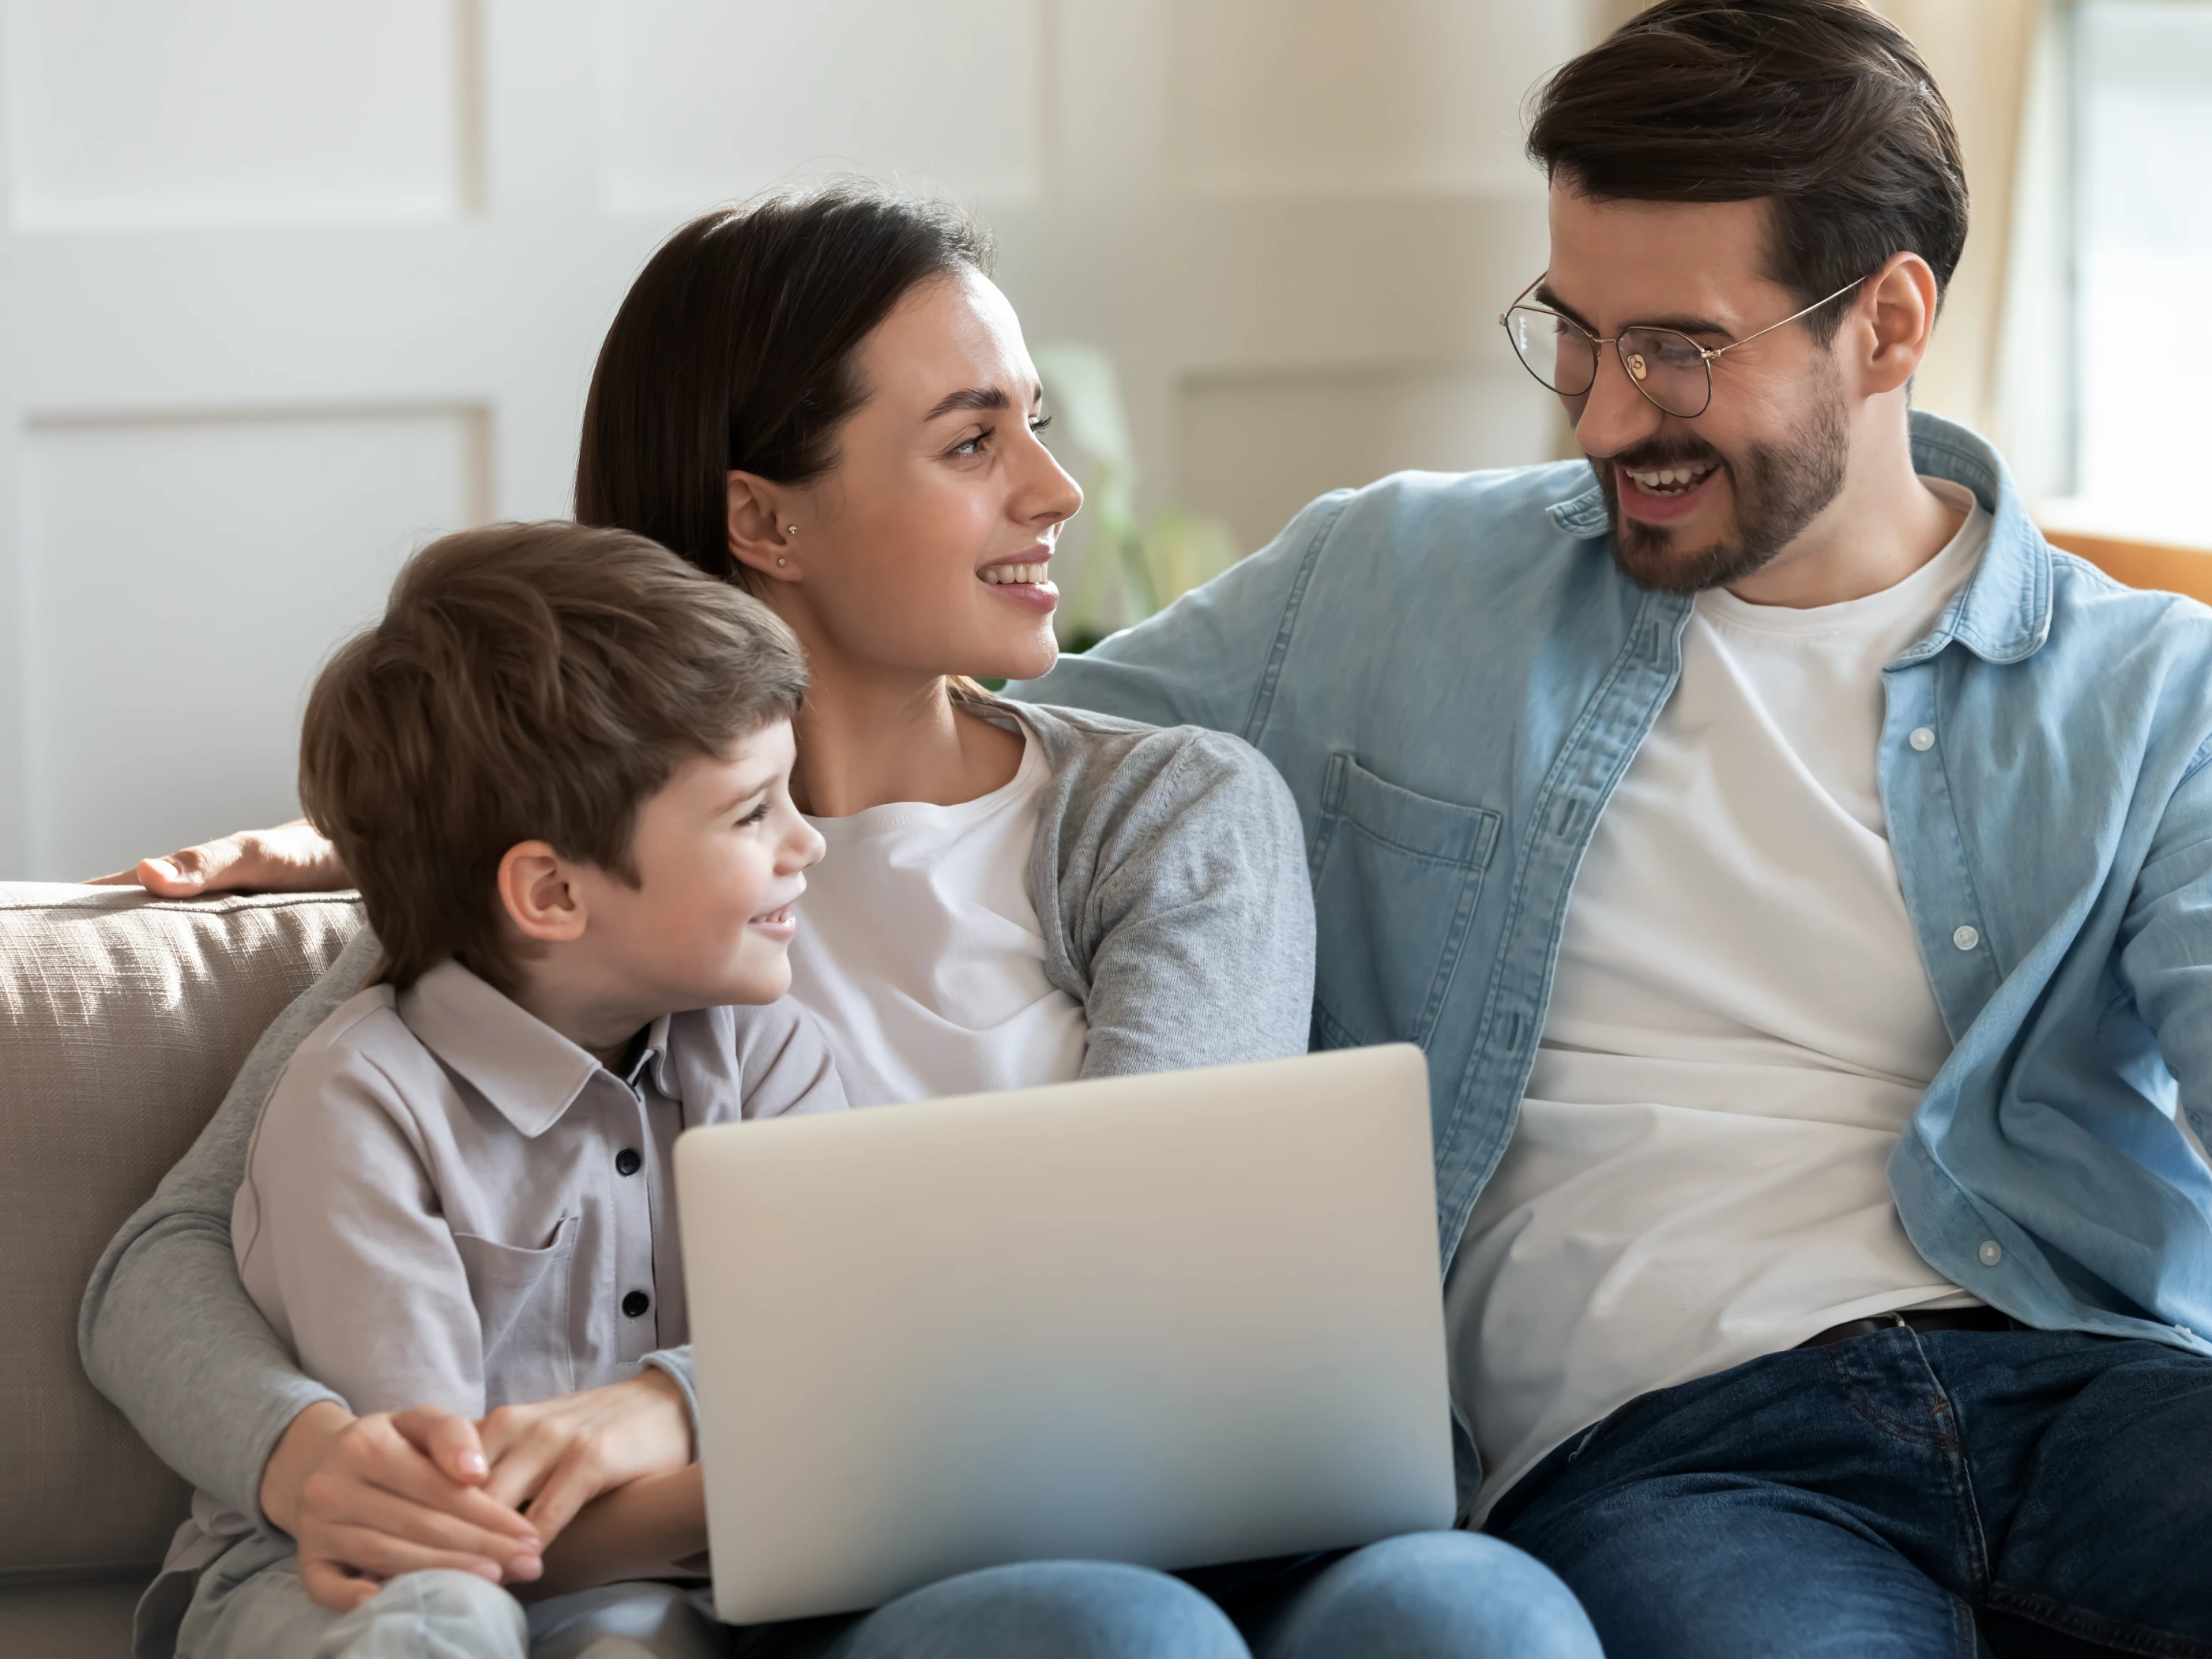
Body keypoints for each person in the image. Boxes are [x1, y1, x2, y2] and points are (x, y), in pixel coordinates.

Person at [87, 186, 1593, 1657]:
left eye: (1037, 424)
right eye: (971, 440)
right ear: (764, 518)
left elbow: (1149, 1296)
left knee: (1478, 1614)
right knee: (1108, 1634)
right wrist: (303, 1459)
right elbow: (167, 1255)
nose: (1054, 492)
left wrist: (673, 1401)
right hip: (865, 1562)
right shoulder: (591, 880)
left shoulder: (1164, 816)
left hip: (1184, 1496)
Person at [1017, 3, 2212, 1653]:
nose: (1594, 418)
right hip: (1677, 1455)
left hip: (2081, 1385)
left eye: (1673, 350)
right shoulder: (1392, 586)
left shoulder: (2151, 692)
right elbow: (987, 763)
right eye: (1572, 333)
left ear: (1883, 321)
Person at [166, 522, 848, 1657]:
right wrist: (801, 1490)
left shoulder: (768, 1048)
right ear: (550, 893)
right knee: (440, 1625)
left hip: (664, 1592)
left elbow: (839, 1349)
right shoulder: (362, 1104)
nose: (808, 844)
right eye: (751, 813)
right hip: (355, 1578)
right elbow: (436, 1528)